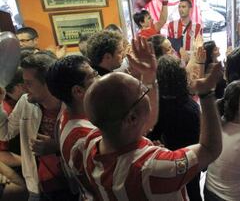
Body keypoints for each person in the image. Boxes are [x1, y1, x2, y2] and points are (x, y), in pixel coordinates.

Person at [77, 37, 222, 200]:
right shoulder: (153, 167)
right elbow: (210, 149)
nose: (147, 90)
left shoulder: (90, 142)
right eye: (142, 91)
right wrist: (206, 94)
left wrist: (150, 76)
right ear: (131, 119)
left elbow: (148, 122)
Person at [0, 53, 77, 200]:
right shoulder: (25, 102)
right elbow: (5, 134)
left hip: (73, 185)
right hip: (39, 186)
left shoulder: (73, 102)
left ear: (48, 83)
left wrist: (57, 147)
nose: (23, 87)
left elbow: (94, 142)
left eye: (29, 83)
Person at [149, 55, 202, 201]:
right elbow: (199, 139)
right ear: (181, 77)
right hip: (191, 159)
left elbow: (153, 134)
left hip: (166, 160)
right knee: (194, 191)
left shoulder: (156, 106)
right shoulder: (191, 107)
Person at [45, 55, 98, 200]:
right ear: (78, 91)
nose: (100, 80)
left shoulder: (69, 114)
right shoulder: (83, 135)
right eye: (94, 76)